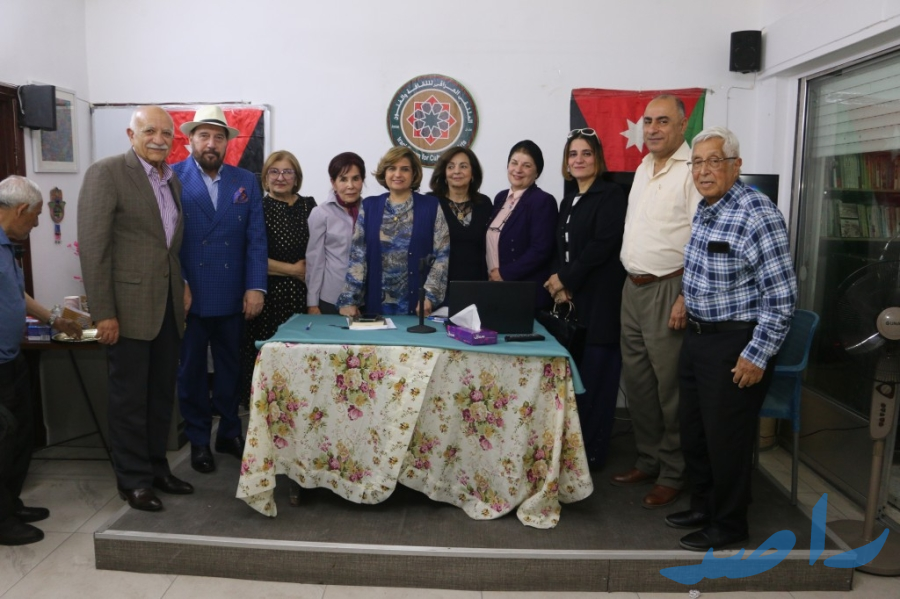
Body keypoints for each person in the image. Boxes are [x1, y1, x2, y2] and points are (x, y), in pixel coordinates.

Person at [669, 126, 797, 551]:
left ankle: (729, 524)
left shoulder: (757, 213)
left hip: (735, 344)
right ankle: (703, 506)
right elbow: (704, 270)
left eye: (714, 161)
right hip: (698, 339)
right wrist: (685, 298)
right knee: (695, 432)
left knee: (727, 440)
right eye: (697, 162)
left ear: (736, 165)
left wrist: (757, 355)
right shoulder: (705, 209)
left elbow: (781, 296)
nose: (703, 170)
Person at [78, 106, 193, 513]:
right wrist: (103, 312)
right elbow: (94, 249)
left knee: (161, 397)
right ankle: (133, 480)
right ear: (131, 134)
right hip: (125, 312)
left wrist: (181, 283)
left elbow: (166, 246)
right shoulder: (106, 173)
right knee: (129, 401)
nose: (159, 139)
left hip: (166, 308)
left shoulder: (171, 179)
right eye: (149, 131)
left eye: (166, 133)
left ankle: (157, 469)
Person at [610, 95, 701, 510]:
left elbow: (700, 237)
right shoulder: (644, 166)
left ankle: (673, 473)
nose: (653, 129)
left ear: (682, 125)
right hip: (632, 287)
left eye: (663, 121)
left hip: (669, 289)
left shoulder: (691, 170)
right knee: (639, 384)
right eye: (648, 121)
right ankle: (648, 460)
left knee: (670, 389)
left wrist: (686, 295)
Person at [174, 106, 267, 474]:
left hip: (232, 294)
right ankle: (199, 440)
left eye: (218, 137)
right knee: (192, 372)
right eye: (204, 136)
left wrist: (255, 287)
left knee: (231, 368)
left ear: (228, 142)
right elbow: (166, 241)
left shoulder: (245, 180)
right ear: (191, 140)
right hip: (189, 295)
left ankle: (229, 432)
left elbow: (256, 239)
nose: (211, 144)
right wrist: (179, 283)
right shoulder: (172, 177)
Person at [1, 176, 81, 544]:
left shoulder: (7, 246)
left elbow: (18, 295)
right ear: (20, 210)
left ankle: (10, 504)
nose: (35, 224)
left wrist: (55, 319)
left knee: (20, 436)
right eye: (34, 217)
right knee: (3, 440)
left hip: (12, 358)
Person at [544, 130, 626, 471]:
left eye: (586, 153)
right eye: (573, 154)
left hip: (602, 303)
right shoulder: (568, 200)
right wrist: (560, 283)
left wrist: (566, 279)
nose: (579, 160)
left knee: (598, 382)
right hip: (575, 302)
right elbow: (560, 248)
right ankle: (574, 453)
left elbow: (601, 246)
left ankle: (592, 455)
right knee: (576, 384)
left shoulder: (612, 195)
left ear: (598, 158)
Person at [336, 147, 449, 317]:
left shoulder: (431, 206)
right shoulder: (369, 206)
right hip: (375, 307)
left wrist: (429, 296)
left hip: (419, 308)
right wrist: (349, 299)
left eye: (405, 169)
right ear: (385, 172)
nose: (398, 174)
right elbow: (357, 256)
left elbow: (442, 255)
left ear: (414, 174)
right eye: (392, 168)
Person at [240, 150, 316, 403]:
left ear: (297, 178)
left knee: (303, 360)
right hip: (268, 298)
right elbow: (249, 256)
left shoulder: (310, 206)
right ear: (265, 177)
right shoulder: (257, 208)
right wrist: (294, 270)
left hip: (305, 298)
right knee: (270, 360)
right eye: (274, 171)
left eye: (287, 172)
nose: (280, 177)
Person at [488, 140, 557, 310]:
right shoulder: (500, 198)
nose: (518, 170)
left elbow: (541, 250)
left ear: (537, 172)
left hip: (523, 292)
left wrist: (504, 274)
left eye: (526, 165)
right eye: (514, 163)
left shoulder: (542, 201)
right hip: (493, 287)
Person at [306, 152, 366, 315]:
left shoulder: (370, 210)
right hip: (332, 298)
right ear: (333, 182)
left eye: (355, 178)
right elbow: (315, 261)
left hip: (365, 299)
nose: (350, 186)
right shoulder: (321, 213)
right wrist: (312, 302)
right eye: (343, 179)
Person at [428, 146, 492, 282]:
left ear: (473, 173)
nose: (456, 171)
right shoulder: (431, 203)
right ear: (444, 173)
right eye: (451, 167)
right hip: (439, 285)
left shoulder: (484, 204)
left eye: (463, 166)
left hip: (477, 284)